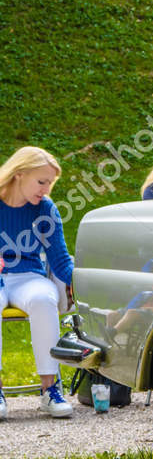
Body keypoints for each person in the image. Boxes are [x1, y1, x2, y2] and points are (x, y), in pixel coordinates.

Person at [0, 146, 75, 418]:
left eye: (50, 183)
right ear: (19, 174)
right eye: (41, 181)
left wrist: (83, 280)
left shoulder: (46, 208)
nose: (45, 189)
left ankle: (49, 389)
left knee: (44, 298)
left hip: (29, 276)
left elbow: (61, 262)